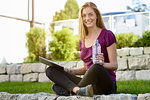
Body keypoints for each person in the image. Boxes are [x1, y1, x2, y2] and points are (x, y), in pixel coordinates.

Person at [46, 2, 118, 97]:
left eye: (90, 14)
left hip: (105, 83)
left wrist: (102, 64)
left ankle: (71, 90)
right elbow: (86, 68)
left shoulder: (107, 35)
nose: (87, 18)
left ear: (96, 15)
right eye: (84, 16)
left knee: (96, 67)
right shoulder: (82, 40)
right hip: (89, 84)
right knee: (51, 70)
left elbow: (114, 65)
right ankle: (79, 91)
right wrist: (71, 71)